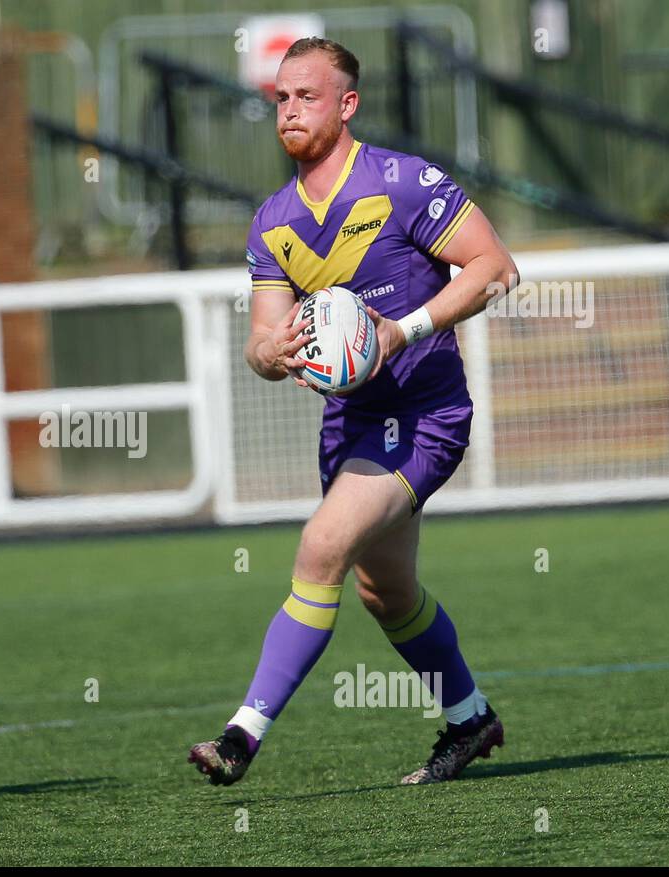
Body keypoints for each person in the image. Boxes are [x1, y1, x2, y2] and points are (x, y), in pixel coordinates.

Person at [189, 38, 518, 787]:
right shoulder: (272, 221)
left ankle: (241, 737)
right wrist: (271, 356)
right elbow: (260, 346)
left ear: (347, 104)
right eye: (281, 98)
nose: (290, 109)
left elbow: (497, 268)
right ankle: (470, 719)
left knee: (320, 548)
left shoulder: (403, 182)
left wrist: (400, 332)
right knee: (385, 591)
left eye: (308, 95)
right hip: (351, 424)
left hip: (425, 410)